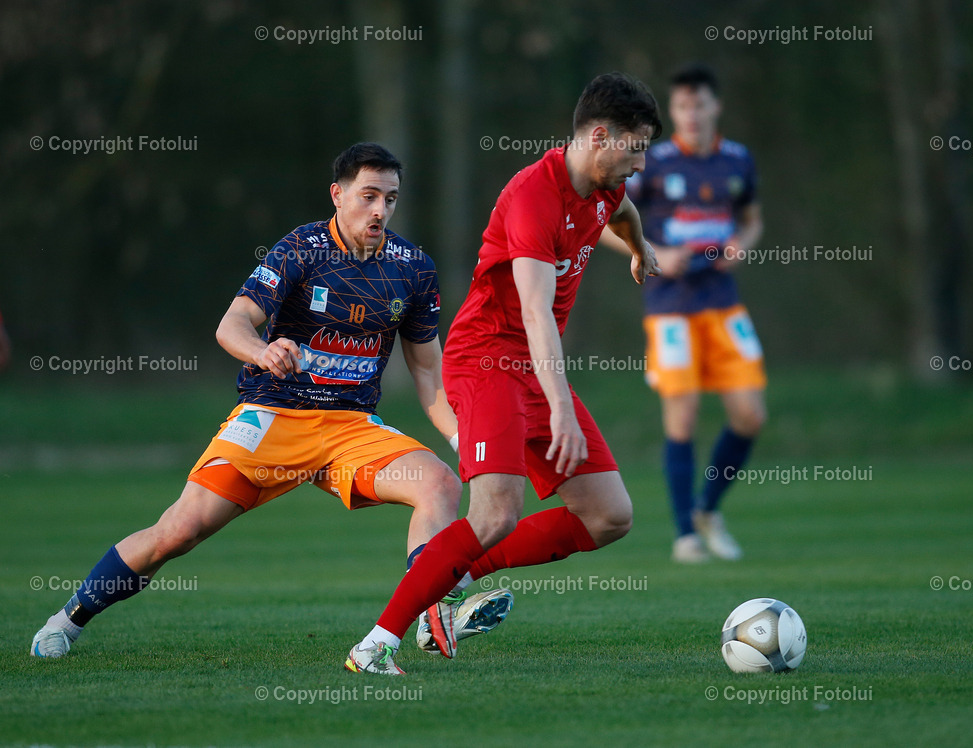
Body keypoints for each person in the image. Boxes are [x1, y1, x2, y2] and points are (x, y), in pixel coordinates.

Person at [30, 143, 512, 658]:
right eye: (368, 196)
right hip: (275, 415)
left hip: (350, 428)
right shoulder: (301, 249)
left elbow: (428, 372)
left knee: (438, 482)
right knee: (178, 531)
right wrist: (262, 351)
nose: (380, 210)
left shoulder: (413, 268)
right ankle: (69, 618)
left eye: (390, 199)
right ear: (338, 195)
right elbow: (232, 324)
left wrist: (463, 439)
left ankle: (429, 614)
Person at [345, 73, 662, 676]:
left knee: (609, 516)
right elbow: (536, 313)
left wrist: (640, 247)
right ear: (600, 137)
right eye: (636, 148)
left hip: (534, 367)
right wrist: (561, 408)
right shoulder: (534, 197)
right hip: (488, 359)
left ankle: (448, 582)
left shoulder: (603, 185)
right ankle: (375, 645)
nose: (640, 163)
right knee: (494, 515)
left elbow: (621, 211)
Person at [605, 63, 766, 563]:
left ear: (715, 106)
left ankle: (707, 509)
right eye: (681, 106)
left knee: (750, 415)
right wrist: (647, 250)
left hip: (723, 302)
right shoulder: (653, 163)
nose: (691, 114)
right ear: (672, 112)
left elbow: (752, 219)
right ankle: (685, 536)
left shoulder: (737, 159)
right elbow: (605, 221)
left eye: (699, 105)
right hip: (671, 308)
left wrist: (742, 243)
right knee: (683, 417)